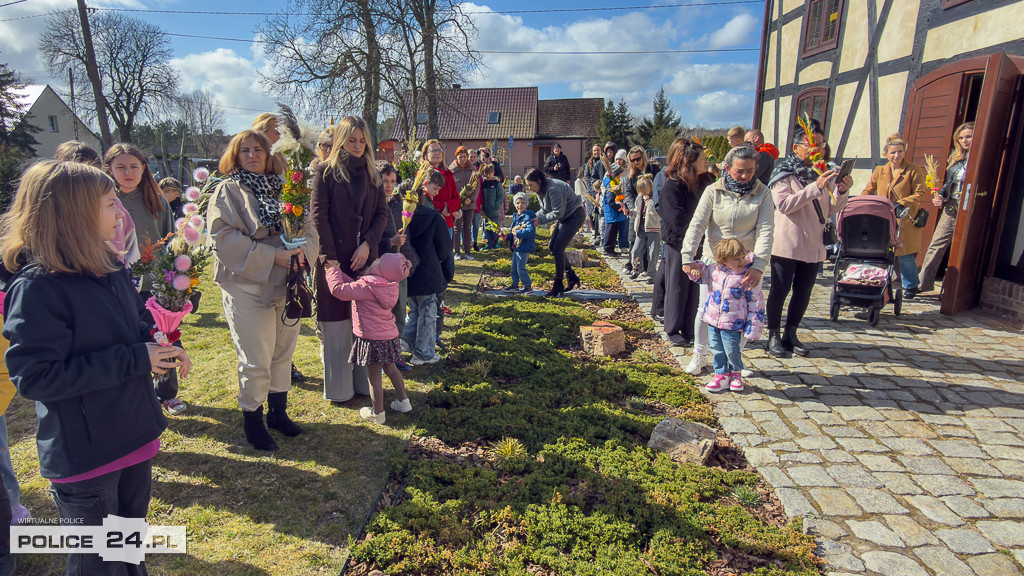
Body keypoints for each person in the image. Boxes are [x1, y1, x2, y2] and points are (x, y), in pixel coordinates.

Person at [2, 160, 192, 575]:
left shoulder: (109, 268)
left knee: (128, 552)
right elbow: (36, 377)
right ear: (74, 214)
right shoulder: (38, 288)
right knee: (97, 563)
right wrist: (135, 359)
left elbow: (134, 323)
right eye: (110, 203)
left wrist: (161, 343)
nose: (122, 213)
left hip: (134, 436)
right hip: (88, 458)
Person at [207, 130, 319, 450]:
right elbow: (222, 239)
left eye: (259, 149)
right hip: (246, 283)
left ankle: (278, 414)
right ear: (235, 155)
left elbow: (310, 228)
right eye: (245, 150)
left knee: (283, 352)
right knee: (256, 358)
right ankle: (253, 420)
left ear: (270, 154)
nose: (253, 155)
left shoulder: (287, 188)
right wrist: (273, 256)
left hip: (287, 282)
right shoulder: (228, 191)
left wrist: (302, 255)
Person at [103, 144, 188, 416]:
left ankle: (166, 393)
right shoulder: (102, 200)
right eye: (121, 167)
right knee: (128, 341)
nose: (128, 173)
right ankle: (135, 395)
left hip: (154, 286)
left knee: (165, 337)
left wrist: (172, 279)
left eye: (134, 167)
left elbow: (167, 239)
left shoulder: (156, 199)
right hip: (115, 284)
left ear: (143, 169)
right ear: (109, 169)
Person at [310, 116, 388, 404]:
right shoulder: (325, 172)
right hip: (336, 261)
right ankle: (339, 389)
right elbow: (318, 218)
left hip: (365, 262)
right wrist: (330, 261)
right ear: (341, 140)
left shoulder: (373, 174)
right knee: (337, 326)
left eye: (361, 139)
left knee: (365, 324)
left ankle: (362, 384)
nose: (357, 145)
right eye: (351, 139)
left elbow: (382, 214)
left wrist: (368, 244)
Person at [680, 145, 775, 375]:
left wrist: (759, 266)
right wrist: (687, 256)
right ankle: (700, 354)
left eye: (750, 171)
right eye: (739, 171)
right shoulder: (713, 191)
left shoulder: (763, 194)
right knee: (706, 310)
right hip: (715, 262)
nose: (745, 176)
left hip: (746, 265)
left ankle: (734, 362)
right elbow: (698, 224)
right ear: (727, 168)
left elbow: (766, 230)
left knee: (742, 313)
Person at [764, 119, 852, 357]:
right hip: (788, 243)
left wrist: (841, 191)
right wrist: (815, 188)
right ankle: (772, 334)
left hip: (814, 243)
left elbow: (830, 210)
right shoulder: (784, 172)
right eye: (811, 144)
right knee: (780, 290)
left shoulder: (822, 171)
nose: (817, 150)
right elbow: (783, 204)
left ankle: (791, 333)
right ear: (796, 147)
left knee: (804, 291)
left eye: (821, 145)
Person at [325, 253, 413, 424]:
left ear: (379, 268)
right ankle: (404, 402)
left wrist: (332, 271)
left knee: (374, 378)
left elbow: (339, 290)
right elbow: (353, 284)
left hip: (372, 339)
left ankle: (377, 413)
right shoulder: (389, 286)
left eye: (378, 262)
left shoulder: (366, 286)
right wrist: (339, 271)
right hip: (389, 336)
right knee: (392, 369)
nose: (374, 262)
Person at [687, 238, 765, 393]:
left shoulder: (746, 276)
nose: (741, 261)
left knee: (732, 349)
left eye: (742, 257)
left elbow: (756, 302)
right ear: (723, 260)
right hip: (714, 320)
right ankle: (721, 374)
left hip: (733, 322)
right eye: (736, 259)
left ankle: (736, 373)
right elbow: (701, 273)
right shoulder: (714, 272)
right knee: (717, 349)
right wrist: (695, 270)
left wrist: (753, 326)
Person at [860, 133, 928, 298]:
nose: (896, 155)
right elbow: (869, 189)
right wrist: (860, 202)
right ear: (886, 155)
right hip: (883, 217)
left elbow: (920, 193)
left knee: (904, 253)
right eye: (893, 152)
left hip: (905, 217)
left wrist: (903, 202)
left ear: (904, 152)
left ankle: (911, 285)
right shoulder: (880, 170)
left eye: (900, 151)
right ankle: (877, 280)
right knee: (880, 250)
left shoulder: (913, 170)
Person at [53, 140, 139, 267]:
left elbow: (132, 251)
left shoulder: (115, 205)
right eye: (79, 172)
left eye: (93, 169)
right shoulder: (56, 213)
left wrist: (129, 283)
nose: (88, 179)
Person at [656, 138, 708, 346]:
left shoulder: (705, 181)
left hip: (699, 243)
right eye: (702, 159)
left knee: (694, 287)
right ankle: (672, 327)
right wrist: (692, 240)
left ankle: (689, 327)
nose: (706, 161)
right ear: (690, 162)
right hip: (679, 243)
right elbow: (676, 219)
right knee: (677, 286)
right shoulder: (674, 185)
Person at [402, 169, 453, 365]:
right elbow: (445, 247)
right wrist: (438, 260)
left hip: (409, 270)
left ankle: (406, 341)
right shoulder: (432, 217)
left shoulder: (403, 218)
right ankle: (423, 353)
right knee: (428, 313)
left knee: (413, 309)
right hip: (429, 270)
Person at [919, 122, 974, 294]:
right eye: (961, 138)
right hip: (953, 206)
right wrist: (941, 196)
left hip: (972, 208)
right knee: (937, 244)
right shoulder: (956, 159)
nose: (964, 141)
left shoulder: (981, 158)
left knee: (963, 248)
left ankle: (954, 290)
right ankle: (922, 283)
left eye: (969, 137)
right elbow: (947, 184)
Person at [526, 168, 584, 297]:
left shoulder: (554, 189)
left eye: (531, 185)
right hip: (565, 218)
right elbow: (545, 209)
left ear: (539, 181)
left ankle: (558, 284)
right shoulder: (541, 189)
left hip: (574, 216)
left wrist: (539, 221)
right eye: (528, 185)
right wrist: (530, 217)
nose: (530, 188)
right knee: (552, 247)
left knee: (558, 249)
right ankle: (572, 276)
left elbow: (558, 212)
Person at [380, 165, 413, 372]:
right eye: (385, 181)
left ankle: (393, 355)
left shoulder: (392, 203)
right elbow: (368, 239)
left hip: (397, 267)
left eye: (393, 181)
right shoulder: (373, 205)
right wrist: (390, 241)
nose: (389, 186)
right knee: (389, 315)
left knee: (400, 311)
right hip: (382, 268)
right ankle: (388, 359)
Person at [449, 146, 478, 261]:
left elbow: (476, 186)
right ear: (456, 157)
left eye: (464, 157)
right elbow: (451, 187)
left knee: (468, 227)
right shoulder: (451, 170)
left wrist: (471, 199)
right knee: (457, 228)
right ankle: (456, 252)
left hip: (469, 203)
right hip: (457, 204)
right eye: (460, 157)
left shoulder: (473, 169)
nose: (462, 159)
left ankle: (468, 252)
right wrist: (458, 200)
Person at [504, 192, 537, 293]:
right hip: (516, 247)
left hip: (523, 247)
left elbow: (530, 231)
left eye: (523, 202)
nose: (520, 205)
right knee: (514, 268)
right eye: (518, 203)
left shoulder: (527, 216)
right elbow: (513, 232)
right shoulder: (517, 216)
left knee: (520, 268)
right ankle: (515, 285)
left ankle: (528, 287)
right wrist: (508, 236)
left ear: (526, 204)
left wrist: (517, 233)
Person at [630, 174, 660, 281]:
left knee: (652, 253)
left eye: (644, 190)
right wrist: (630, 213)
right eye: (640, 190)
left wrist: (650, 202)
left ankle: (651, 274)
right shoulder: (639, 198)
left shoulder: (654, 199)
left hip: (653, 229)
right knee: (636, 250)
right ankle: (637, 268)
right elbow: (637, 211)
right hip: (640, 229)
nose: (642, 193)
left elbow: (657, 211)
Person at [602, 162, 629, 256]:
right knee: (611, 231)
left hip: (614, 212)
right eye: (620, 173)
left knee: (613, 231)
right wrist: (618, 207)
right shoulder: (612, 184)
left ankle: (611, 249)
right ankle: (608, 249)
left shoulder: (615, 182)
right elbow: (610, 200)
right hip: (612, 211)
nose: (621, 175)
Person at [480, 164, 503, 249]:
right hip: (485, 211)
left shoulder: (497, 184)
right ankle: (489, 244)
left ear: (493, 173)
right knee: (487, 229)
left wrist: (496, 205)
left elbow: (501, 196)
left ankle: (496, 243)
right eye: (486, 173)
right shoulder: (483, 183)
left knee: (494, 228)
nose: (488, 175)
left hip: (494, 211)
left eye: (490, 173)